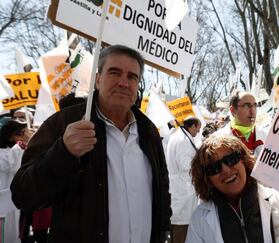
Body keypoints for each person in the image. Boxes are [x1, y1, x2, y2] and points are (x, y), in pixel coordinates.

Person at [11, 45, 171, 243]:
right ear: (97, 79)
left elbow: (162, 189)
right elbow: (23, 195)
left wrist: (164, 231)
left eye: (132, 77)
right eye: (114, 72)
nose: (123, 82)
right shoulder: (64, 123)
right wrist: (63, 153)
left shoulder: (149, 131)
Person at [186, 135, 279, 243]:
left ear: (244, 160)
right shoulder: (200, 219)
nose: (226, 170)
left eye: (231, 159)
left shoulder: (276, 201)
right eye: (214, 168)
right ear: (207, 179)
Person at [166, 116, 201, 243]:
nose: (198, 132)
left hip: (179, 188)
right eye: (198, 128)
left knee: (177, 224)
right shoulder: (183, 140)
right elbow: (185, 164)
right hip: (183, 190)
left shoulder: (178, 136)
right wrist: (200, 160)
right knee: (182, 227)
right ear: (192, 126)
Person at [0, 118, 34, 243]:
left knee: (15, 235)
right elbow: (13, 165)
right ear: (9, 137)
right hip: (3, 205)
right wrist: (22, 144)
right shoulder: (3, 153)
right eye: (19, 133)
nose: (23, 136)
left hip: (16, 202)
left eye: (24, 132)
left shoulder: (16, 150)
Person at [215, 91, 267, 157]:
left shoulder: (267, 136)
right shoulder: (218, 140)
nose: (253, 111)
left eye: (255, 105)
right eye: (247, 106)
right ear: (233, 110)